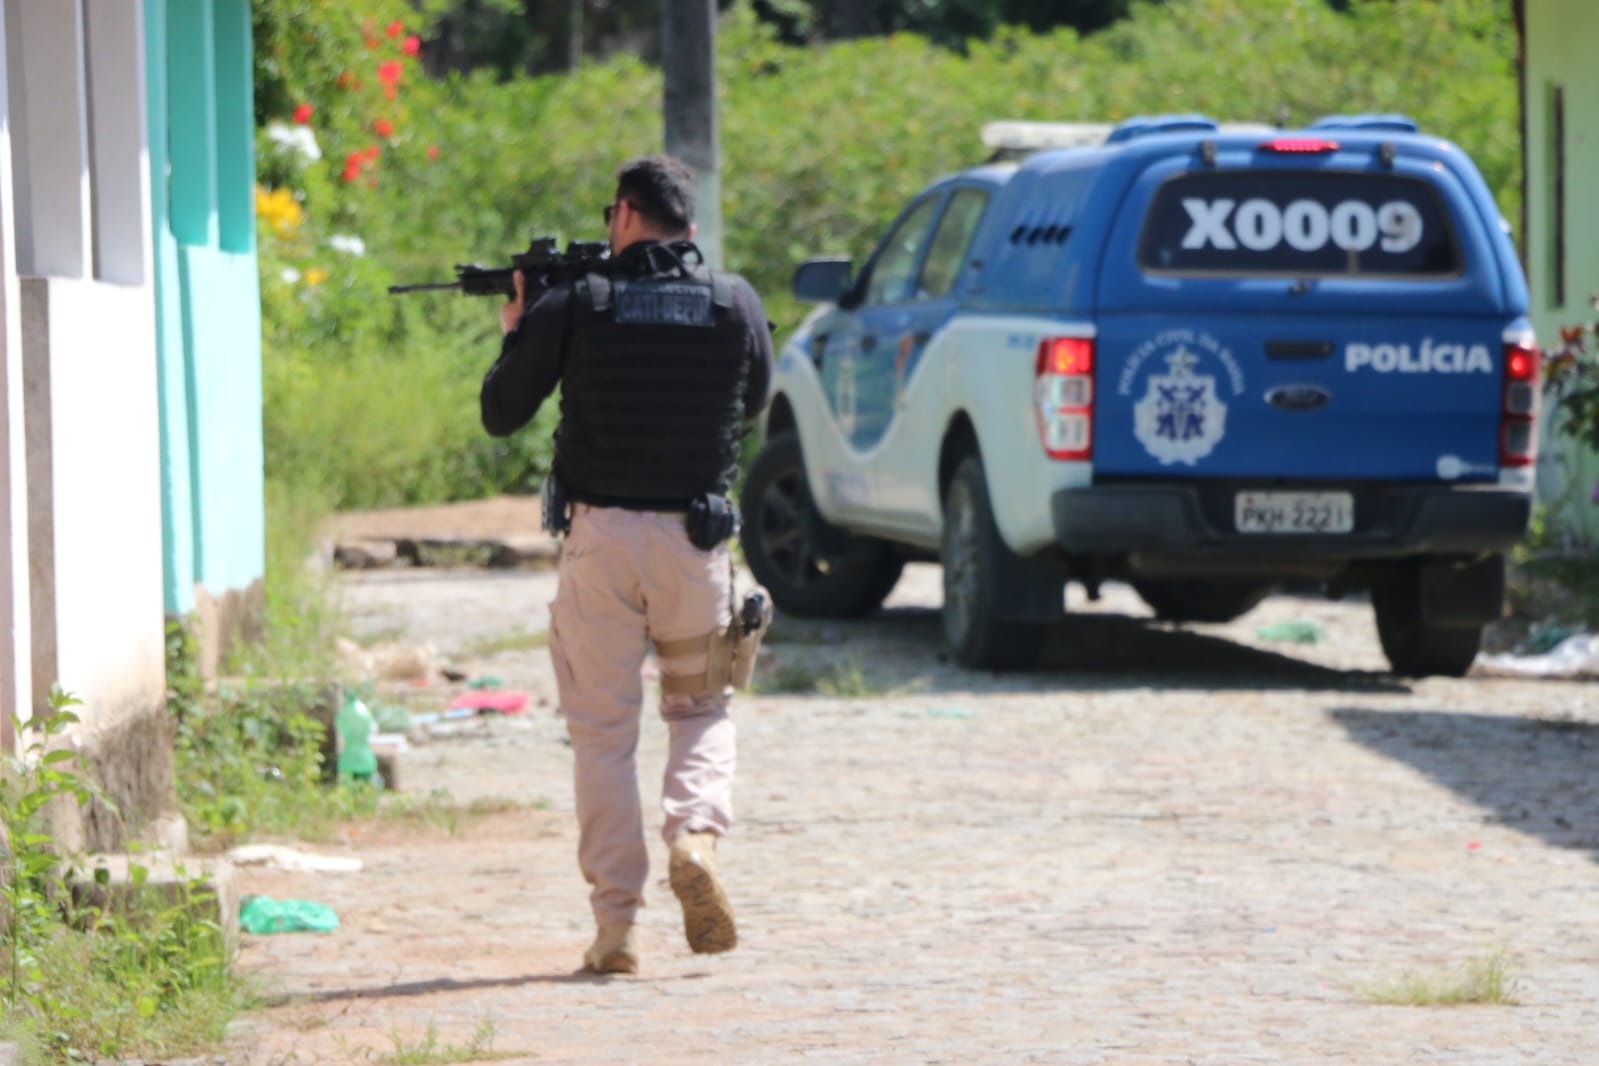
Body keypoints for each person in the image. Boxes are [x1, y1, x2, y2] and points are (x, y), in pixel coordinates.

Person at [481, 155, 773, 975]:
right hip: (694, 544)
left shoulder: (577, 303)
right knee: (701, 709)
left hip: (600, 541)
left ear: (622, 215)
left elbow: (502, 412)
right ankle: (694, 837)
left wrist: (518, 328)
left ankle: (616, 929)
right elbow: (751, 401)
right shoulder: (735, 301)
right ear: (688, 225)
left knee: (603, 737)